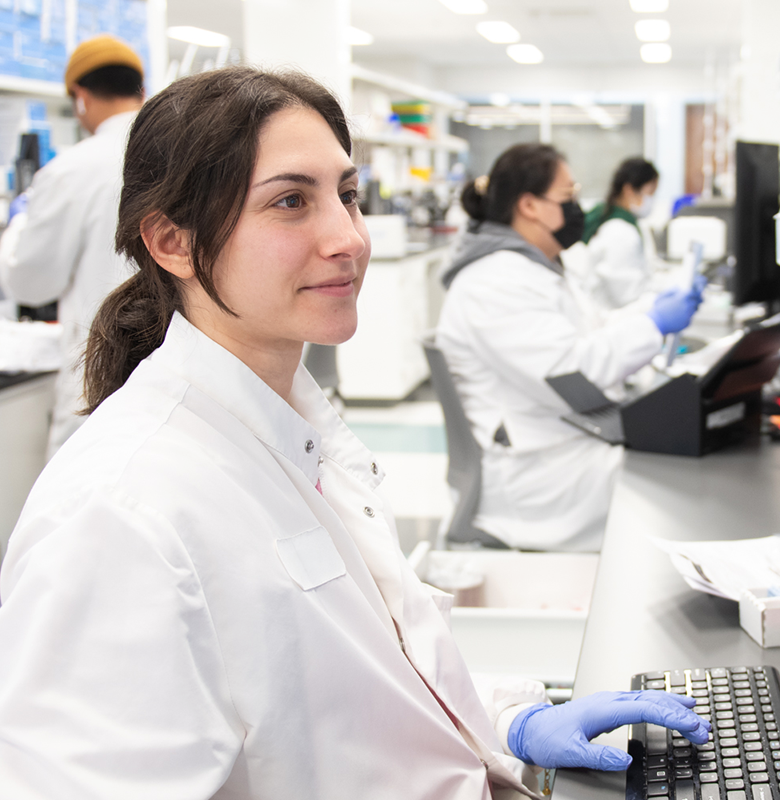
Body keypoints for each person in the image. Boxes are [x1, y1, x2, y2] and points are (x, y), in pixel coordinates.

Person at [0, 68, 709, 799]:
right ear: (173, 242)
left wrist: (513, 720)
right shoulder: (118, 514)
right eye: (289, 202)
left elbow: (370, 678)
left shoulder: (292, 430)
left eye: (347, 196)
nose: (348, 238)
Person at [436, 144, 704, 552]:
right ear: (529, 205)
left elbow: (591, 331)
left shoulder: (536, 265)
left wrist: (654, 308)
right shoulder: (495, 281)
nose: (578, 208)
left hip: (561, 436)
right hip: (536, 472)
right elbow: (574, 373)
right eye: (568, 197)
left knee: (679, 464)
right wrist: (653, 325)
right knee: (673, 484)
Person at [0, 34, 145, 459]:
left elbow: (30, 284)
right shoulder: (187, 158)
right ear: (141, 88)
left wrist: (17, 231)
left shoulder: (71, 170)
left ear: (80, 97)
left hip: (101, 372)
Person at [581, 157, 660, 310]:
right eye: (650, 192)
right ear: (629, 190)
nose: (651, 200)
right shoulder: (619, 231)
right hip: (611, 317)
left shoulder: (621, 222)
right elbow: (628, 295)